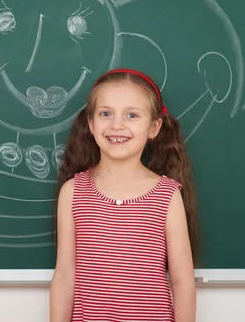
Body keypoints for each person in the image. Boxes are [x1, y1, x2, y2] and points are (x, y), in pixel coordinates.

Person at [50, 68, 199, 322]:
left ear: (154, 128)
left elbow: (182, 281)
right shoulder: (73, 192)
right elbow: (65, 276)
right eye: (105, 113)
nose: (116, 125)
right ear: (91, 123)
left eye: (132, 115)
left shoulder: (166, 195)